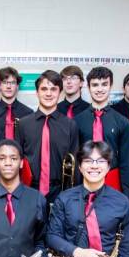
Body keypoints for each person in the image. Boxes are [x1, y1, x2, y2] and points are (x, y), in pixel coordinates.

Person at [17, 70, 79, 206]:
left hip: (60, 192)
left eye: (53, 89)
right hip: (28, 191)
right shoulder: (23, 124)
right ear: (37, 92)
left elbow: (75, 166)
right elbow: (18, 161)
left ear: (60, 93)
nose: (49, 93)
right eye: (44, 89)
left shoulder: (70, 125)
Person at [74, 66, 129, 195]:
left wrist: (126, 193)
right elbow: (75, 157)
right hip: (84, 179)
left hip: (112, 179)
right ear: (88, 88)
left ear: (110, 86)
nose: (100, 89)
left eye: (104, 84)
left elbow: (126, 161)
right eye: (95, 85)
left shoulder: (122, 121)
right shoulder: (77, 121)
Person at [0, 67, 33, 140]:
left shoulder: (28, 113)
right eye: (5, 82)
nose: (8, 86)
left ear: (17, 86)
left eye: (12, 82)